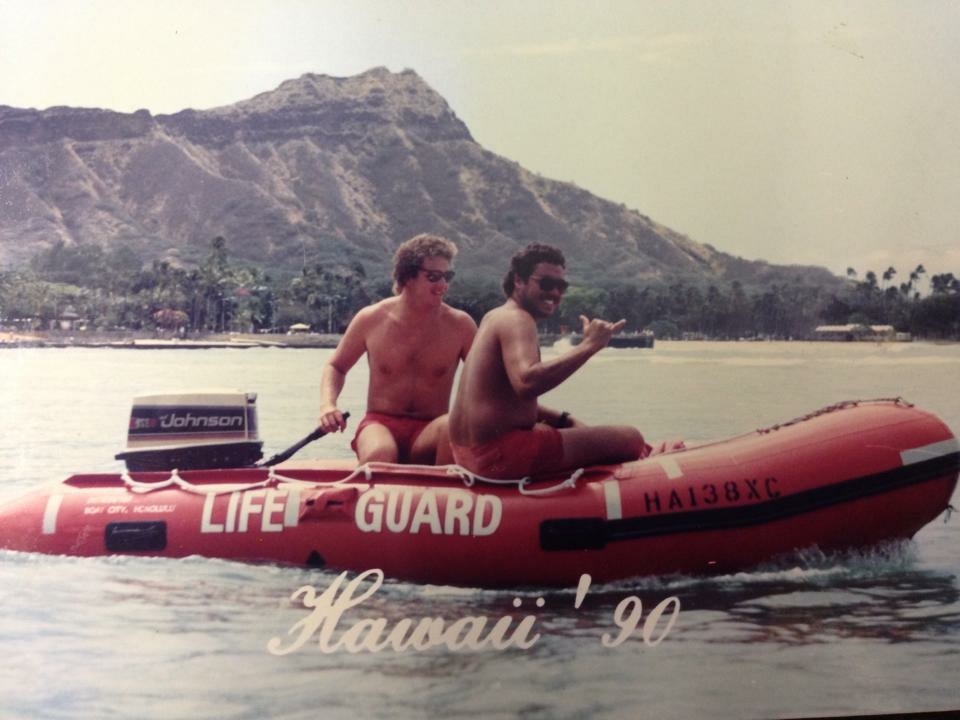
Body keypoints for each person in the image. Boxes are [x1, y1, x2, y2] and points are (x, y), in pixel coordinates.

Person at [448, 243, 648, 479]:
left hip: (468, 455)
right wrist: (590, 346)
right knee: (630, 438)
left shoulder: (495, 316)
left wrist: (564, 420)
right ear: (519, 281)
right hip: (501, 456)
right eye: (546, 283)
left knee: (552, 430)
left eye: (561, 286)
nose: (555, 293)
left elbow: (502, 398)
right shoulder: (518, 319)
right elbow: (526, 382)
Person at [318, 233, 477, 464]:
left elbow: (488, 381)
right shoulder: (371, 319)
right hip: (380, 424)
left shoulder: (460, 325)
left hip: (432, 429)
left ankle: (443, 495)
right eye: (433, 277)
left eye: (447, 276)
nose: (443, 285)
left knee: (454, 427)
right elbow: (336, 366)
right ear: (407, 277)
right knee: (380, 453)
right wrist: (327, 406)